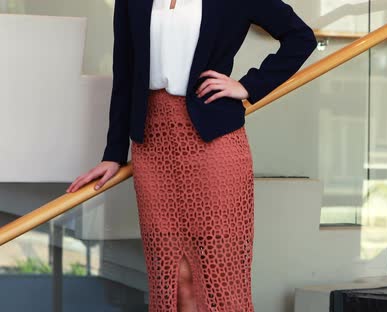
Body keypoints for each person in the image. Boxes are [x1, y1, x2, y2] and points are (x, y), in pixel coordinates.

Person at [66, 0, 316, 310]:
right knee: (173, 281)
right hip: (153, 150)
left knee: (216, 281)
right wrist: (113, 153)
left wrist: (248, 86)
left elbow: (301, 37)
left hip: (215, 147)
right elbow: (125, 73)